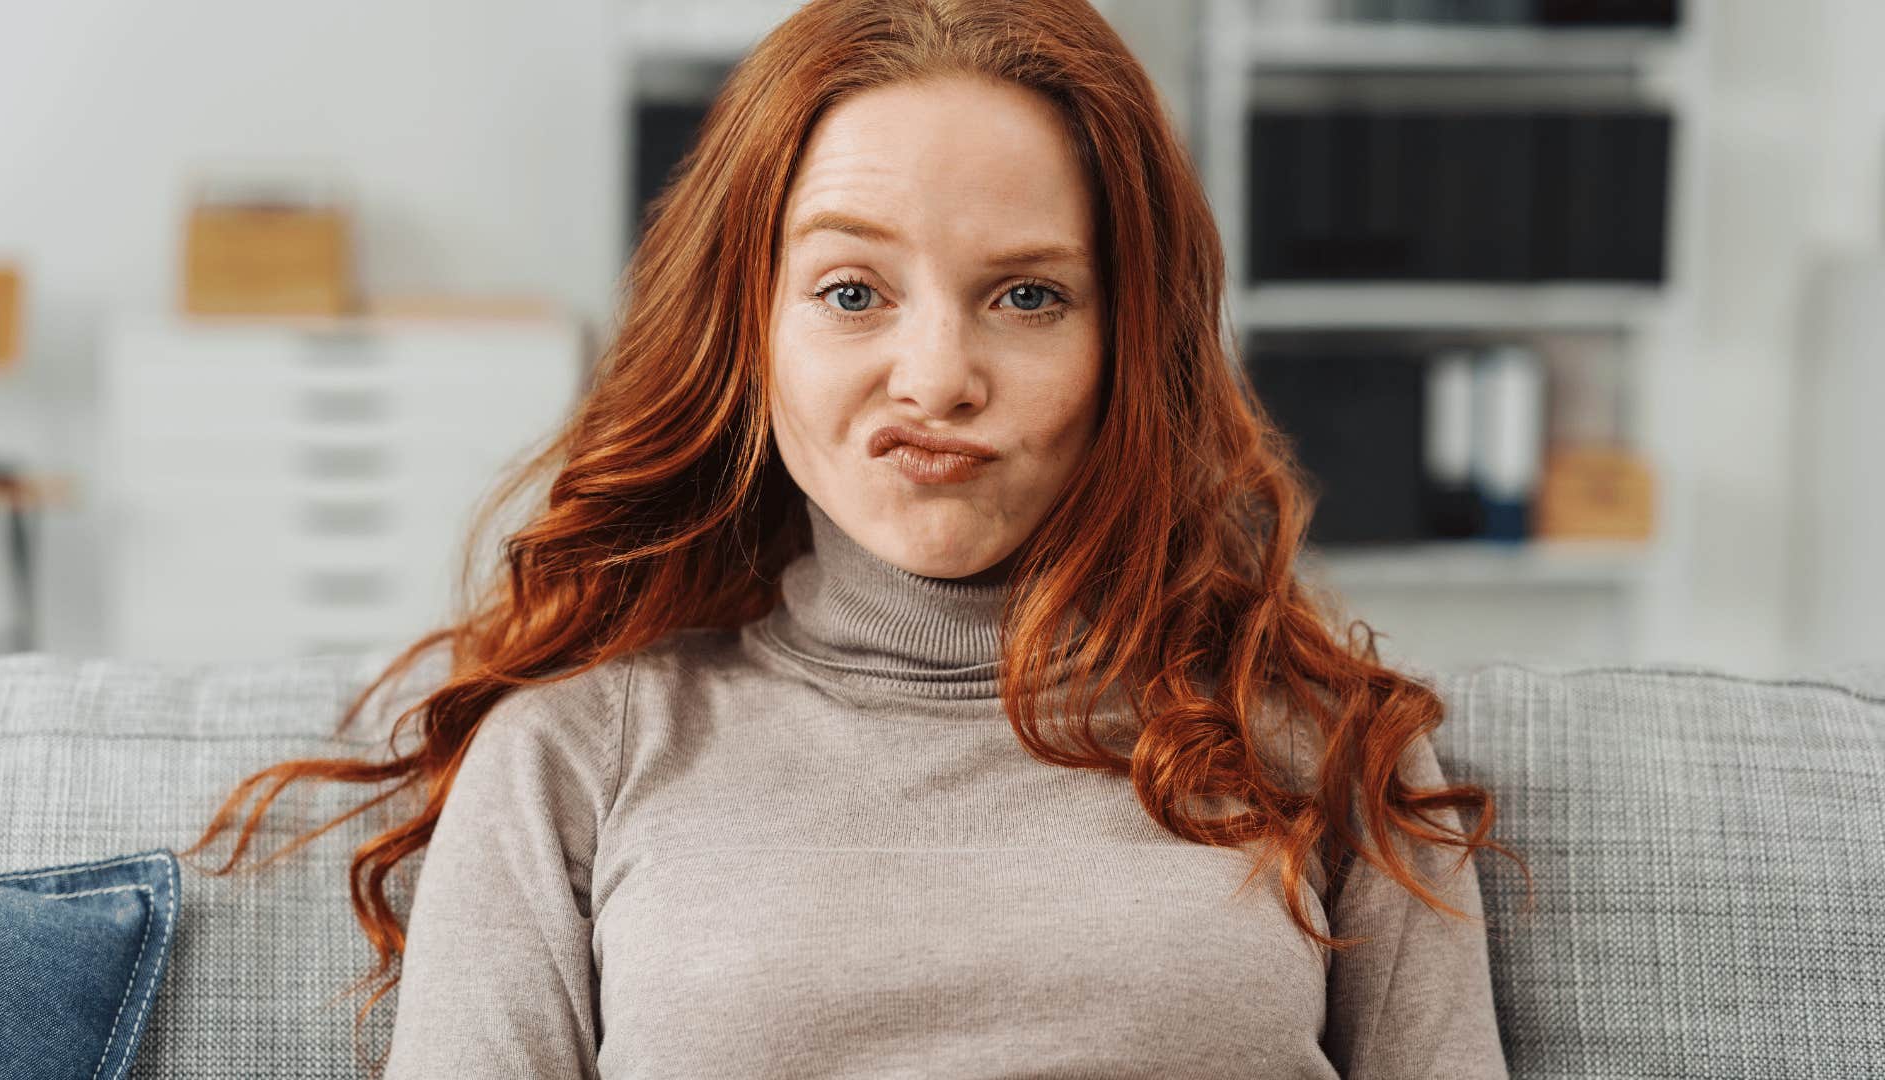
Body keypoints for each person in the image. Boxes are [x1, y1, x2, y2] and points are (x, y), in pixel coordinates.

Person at [184, 1, 1529, 1076]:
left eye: (1027, 294)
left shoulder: (1331, 749)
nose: (937, 374)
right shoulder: (574, 758)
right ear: (750, 331)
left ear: (1132, 343)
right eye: (850, 290)